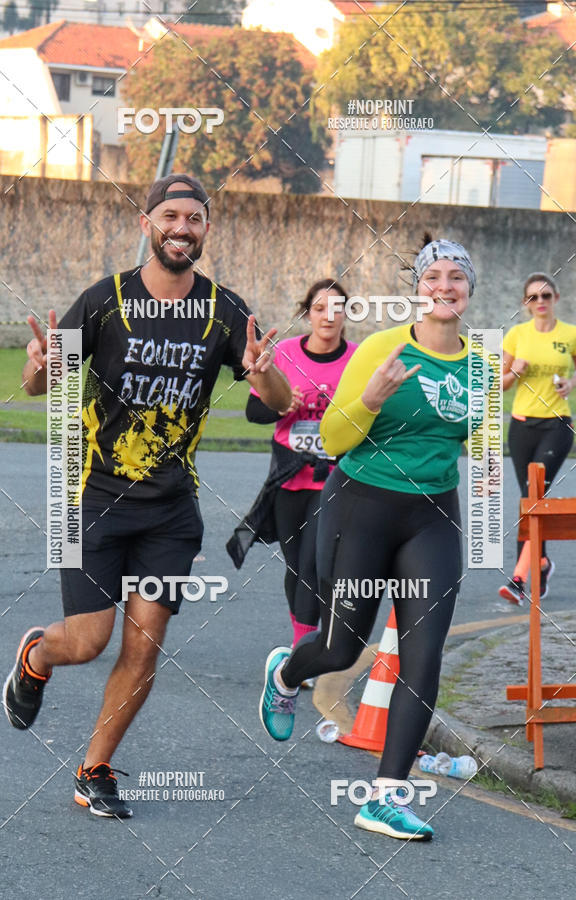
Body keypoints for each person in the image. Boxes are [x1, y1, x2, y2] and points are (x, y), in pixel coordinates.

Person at [3, 174, 291, 819]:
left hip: (170, 511)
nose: (181, 228)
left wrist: (267, 377)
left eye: (194, 218)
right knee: (87, 642)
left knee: (144, 645)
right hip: (89, 498)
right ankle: (36, 654)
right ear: (147, 224)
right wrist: (43, 363)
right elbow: (35, 386)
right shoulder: (104, 301)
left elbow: (279, 403)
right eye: (170, 216)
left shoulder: (225, 311)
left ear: (206, 230)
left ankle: (95, 767)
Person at [259, 236, 481, 841]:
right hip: (361, 505)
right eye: (433, 275)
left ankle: (386, 796)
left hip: (433, 513)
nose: (444, 285)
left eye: (456, 277)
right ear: (417, 290)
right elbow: (332, 438)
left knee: (423, 652)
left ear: (469, 292)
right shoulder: (384, 347)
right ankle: (286, 675)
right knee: (340, 647)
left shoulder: (480, 364)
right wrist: (372, 398)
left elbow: (469, 443)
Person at [240, 281, 357, 674]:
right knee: (296, 567)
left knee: (315, 564)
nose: (328, 315)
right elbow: (253, 413)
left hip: (337, 481)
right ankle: (311, 638)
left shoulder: (359, 359)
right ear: (308, 313)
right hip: (290, 480)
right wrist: (281, 405)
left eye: (337, 307)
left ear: (346, 314)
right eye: (320, 307)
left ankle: (304, 653)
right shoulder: (284, 354)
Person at [499, 273, 576, 604]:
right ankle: (540, 563)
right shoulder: (517, 335)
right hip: (521, 427)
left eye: (546, 295)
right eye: (533, 297)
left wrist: (570, 385)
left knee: (535, 494)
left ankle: (519, 578)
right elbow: (499, 384)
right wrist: (515, 371)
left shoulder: (570, 334)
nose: (540, 302)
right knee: (529, 500)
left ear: (556, 298)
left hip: (557, 425)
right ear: (525, 303)